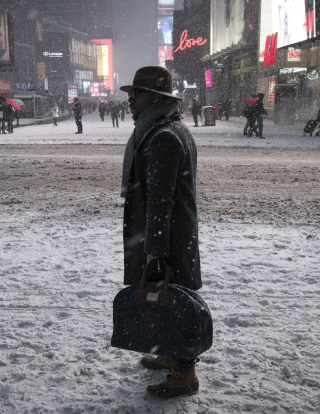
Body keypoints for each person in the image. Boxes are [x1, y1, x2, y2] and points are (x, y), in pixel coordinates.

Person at [119, 66, 202, 399]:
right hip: (175, 236)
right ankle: (171, 353)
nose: (130, 101)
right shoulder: (166, 129)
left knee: (176, 301)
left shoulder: (163, 136)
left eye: (136, 94)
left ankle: (185, 374)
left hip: (167, 240)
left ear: (155, 97)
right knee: (169, 300)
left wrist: (155, 255)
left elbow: (159, 203)